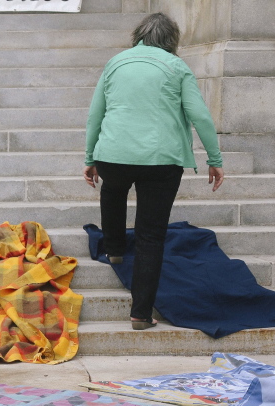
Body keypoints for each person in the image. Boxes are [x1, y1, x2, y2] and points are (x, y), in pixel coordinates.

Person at [84, 12, 224, 330]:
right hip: (162, 160)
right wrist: (214, 160)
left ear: (138, 36)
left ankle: (115, 250)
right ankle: (140, 314)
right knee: (150, 235)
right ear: (172, 41)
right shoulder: (177, 67)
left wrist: (90, 156)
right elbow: (200, 116)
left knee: (113, 190)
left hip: (113, 153)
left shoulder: (116, 63)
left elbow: (95, 114)